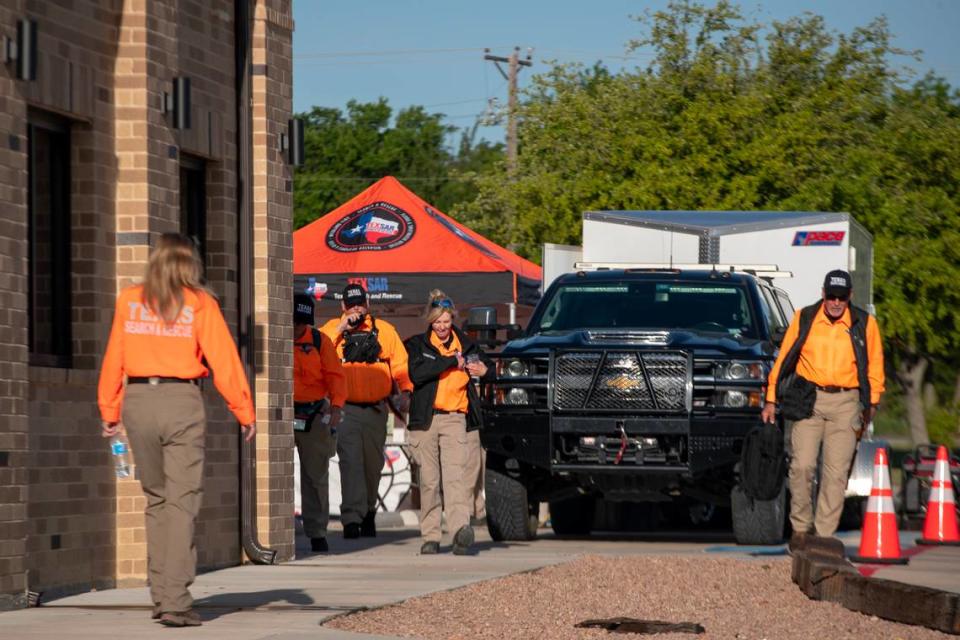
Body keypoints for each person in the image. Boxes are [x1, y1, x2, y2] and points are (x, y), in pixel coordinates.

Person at [97, 233, 255, 628]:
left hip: (137, 401)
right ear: (190, 263)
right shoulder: (199, 303)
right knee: (182, 502)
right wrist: (244, 410)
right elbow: (224, 359)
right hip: (180, 401)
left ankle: (160, 596)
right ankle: (175, 601)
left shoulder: (130, 299)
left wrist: (109, 408)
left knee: (157, 500)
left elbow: (114, 355)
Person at [761, 269, 884, 544]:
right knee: (802, 466)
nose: (836, 302)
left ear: (850, 296)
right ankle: (802, 531)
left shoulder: (865, 323)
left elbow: (875, 365)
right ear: (823, 294)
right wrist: (771, 397)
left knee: (836, 474)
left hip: (847, 403)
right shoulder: (805, 317)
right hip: (809, 400)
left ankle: (824, 538)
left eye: (842, 297)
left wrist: (872, 403)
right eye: (831, 296)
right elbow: (783, 359)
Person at [319, 283, 413, 539]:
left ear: (367, 303)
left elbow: (401, 365)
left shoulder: (385, 330)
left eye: (359, 304)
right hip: (346, 409)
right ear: (343, 307)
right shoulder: (331, 330)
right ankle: (351, 519)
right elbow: (317, 349)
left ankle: (369, 512)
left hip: (376, 409)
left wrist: (405, 392)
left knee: (373, 465)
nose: (356, 309)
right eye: (351, 305)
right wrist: (342, 327)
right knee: (350, 464)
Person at [404, 291, 491, 555]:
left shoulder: (466, 344)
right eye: (437, 322)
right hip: (426, 420)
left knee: (455, 478)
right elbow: (417, 374)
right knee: (429, 481)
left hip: (455, 417)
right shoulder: (417, 345)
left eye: (446, 321)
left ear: (453, 319)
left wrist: (484, 370)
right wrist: (449, 361)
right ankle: (430, 535)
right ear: (430, 321)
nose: (442, 327)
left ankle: (460, 532)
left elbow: (486, 365)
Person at [293, 293, 346, 553]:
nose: (296, 328)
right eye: (293, 322)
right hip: (280, 413)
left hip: (313, 413)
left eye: (301, 323)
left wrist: (336, 406)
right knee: (271, 473)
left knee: (315, 475)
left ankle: (316, 531)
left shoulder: (318, 341)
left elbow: (336, 376)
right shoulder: (276, 338)